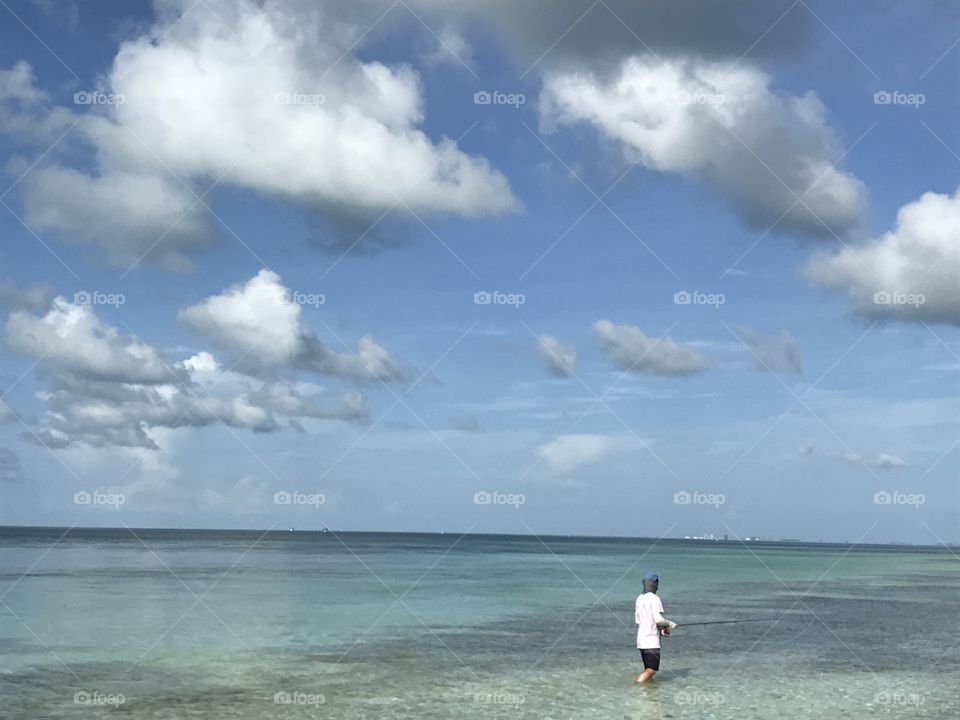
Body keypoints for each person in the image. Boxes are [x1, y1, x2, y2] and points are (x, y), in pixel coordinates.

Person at [634, 572, 677, 684]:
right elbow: (658, 620)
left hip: (641, 640)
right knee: (652, 669)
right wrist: (669, 624)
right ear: (655, 584)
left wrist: (661, 630)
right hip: (651, 641)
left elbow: (639, 620)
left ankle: (649, 695)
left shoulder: (639, 598)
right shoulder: (654, 598)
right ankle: (637, 686)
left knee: (648, 669)